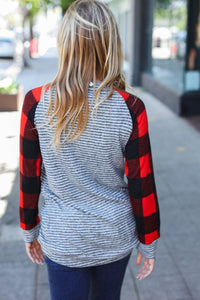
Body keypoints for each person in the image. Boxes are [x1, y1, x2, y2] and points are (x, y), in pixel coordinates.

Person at [19, 0, 160, 299]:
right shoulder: (131, 108)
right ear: (110, 43)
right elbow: (141, 182)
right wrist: (148, 241)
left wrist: (28, 228)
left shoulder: (35, 103)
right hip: (114, 236)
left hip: (63, 239)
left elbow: (28, 176)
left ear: (64, 43)